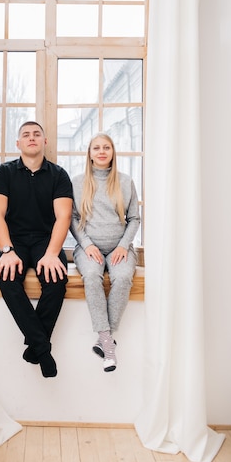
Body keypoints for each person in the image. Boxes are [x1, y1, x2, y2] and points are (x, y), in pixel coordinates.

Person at [0, 121, 73, 378]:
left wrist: (50, 254)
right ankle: (42, 349)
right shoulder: (4, 172)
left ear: (45, 141)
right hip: (12, 240)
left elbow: (64, 217)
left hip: (45, 241)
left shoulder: (59, 175)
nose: (32, 137)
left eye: (37, 133)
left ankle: (35, 347)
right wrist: (6, 250)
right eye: (26, 134)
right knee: (6, 276)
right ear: (18, 143)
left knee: (56, 279)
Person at [70, 133, 140, 372]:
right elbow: (72, 218)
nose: (101, 151)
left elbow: (134, 218)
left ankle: (104, 339)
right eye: (96, 148)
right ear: (89, 153)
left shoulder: (125, 181)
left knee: (121, 278)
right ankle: (108, 345)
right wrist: (87, 245)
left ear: (112, 152)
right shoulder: (78, 182)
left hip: (120, 248)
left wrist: (123, 245)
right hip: (88, 248)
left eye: (106, 147)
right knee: (91, 276)